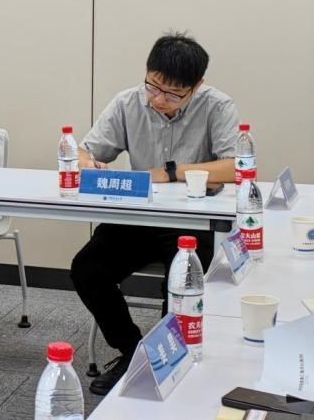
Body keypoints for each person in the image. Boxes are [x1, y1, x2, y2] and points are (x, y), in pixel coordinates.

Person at [70, 32, 238, 396]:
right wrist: (88, 163)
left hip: (191, 220)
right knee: (87, 269)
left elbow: (234, 167)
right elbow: (84, 151)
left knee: (182, 282)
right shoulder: (127, 102)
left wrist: (171, 171)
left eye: (173, 93)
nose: (159, 99)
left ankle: (174, 361)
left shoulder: (218, 106)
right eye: (154, 86)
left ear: (197, 86)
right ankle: (136, 354)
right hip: (140, 216)